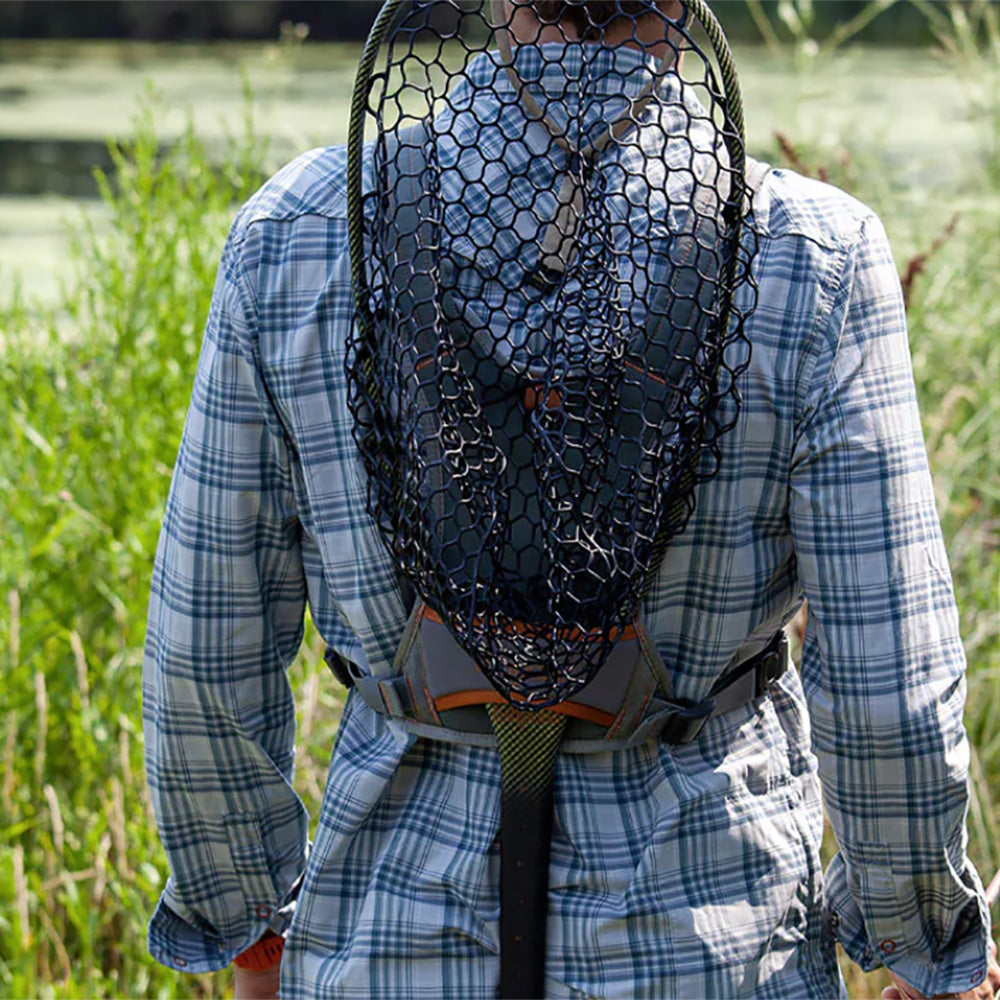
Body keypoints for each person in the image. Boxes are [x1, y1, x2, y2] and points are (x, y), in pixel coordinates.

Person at [142, 2, 998, 998]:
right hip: (714, 949)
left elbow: (202, 662)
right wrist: (923, 941)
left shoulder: (292, 235)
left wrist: (248, 926)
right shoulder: (813, 256)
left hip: (387, 950)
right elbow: (890, 686)